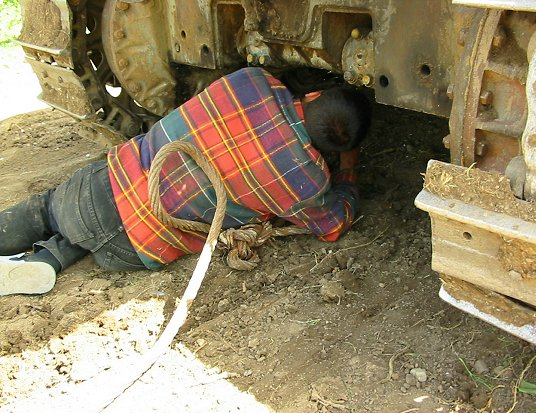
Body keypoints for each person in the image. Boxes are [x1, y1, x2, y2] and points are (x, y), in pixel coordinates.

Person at [0, 67, 371, 296]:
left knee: (51, 208)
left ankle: (37, 245)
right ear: (336, 149)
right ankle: (49, 259)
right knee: (105, 230)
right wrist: (348, 169)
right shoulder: (307, 181)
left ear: (315, 95)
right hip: (133, 250)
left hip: (99, 187)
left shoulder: (252, 81)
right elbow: (334, 225)